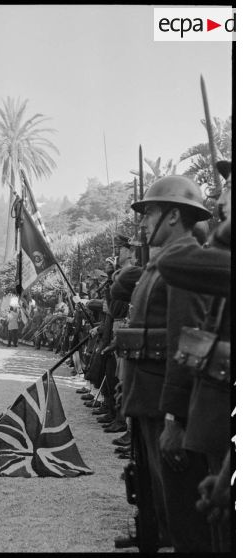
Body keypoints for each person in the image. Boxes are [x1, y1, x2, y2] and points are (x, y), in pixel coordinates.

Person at [114, 175, 213, 552]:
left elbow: (186, 346)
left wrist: (175, 419)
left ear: (173, 216)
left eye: (149, 212)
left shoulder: (185, 264)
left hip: (166, 408)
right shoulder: (161, 266)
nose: (142, 223)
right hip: (148, 402)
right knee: (158, 503)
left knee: (186, 519)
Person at [157, 160, 232, 552]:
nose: (222, 199)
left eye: (231, 187)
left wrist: (176, 415)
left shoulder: (192, 257)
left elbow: (188, 339)